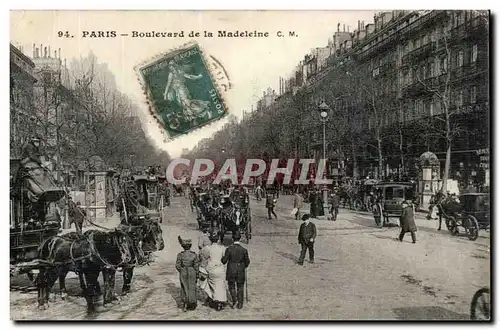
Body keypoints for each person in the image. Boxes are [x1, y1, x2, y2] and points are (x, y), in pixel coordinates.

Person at [221, 231, 250, 309]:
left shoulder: (229, 249)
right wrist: (243, 266)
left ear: (232, 239)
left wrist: (222, 257)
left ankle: (234, 300)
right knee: (240, 287)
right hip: (240, 270)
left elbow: (224, 261)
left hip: (231, 270)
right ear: (240, 239)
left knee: (231, 286)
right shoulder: (244, 250)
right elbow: (247, 262)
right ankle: (240, 304)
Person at [199, 232, 227, 311]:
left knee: (210, 283)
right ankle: (220, 301)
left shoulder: (207, 248)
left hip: (211, 269)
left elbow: (203, 256)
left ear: (210, 240)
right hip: (220, 269)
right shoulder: (222, 248)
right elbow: (225, 257)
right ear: (218, 240)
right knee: (220, 285)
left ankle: (212, 298)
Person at [175, 236, 199, 311]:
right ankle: (192, 303)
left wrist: (181, 270)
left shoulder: (180, 255)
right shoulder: (194, 254)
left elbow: (177, 265)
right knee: (192, 287)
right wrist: (197, 274)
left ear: (183, 247)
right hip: (192, 271)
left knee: (184, 286)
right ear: (190, 246)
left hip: (183, 271)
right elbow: (196, 266)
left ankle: (185, 302)